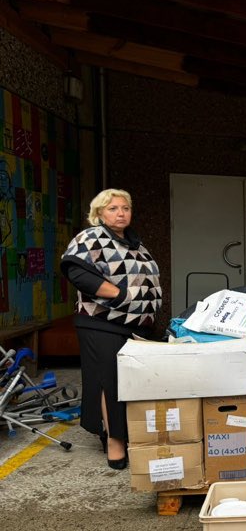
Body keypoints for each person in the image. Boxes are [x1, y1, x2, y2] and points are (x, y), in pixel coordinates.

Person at [60, 189, 162, 470]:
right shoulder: (90, 237)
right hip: (101, 323)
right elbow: (75, 270)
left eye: (125, 208)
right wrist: (118, 295)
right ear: (99, 213)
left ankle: (119, 432)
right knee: (110, 382)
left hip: (131, 326)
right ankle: (115, 443)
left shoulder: (134, 244)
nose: (121, 213)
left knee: (127, 382)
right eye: (113, 208)